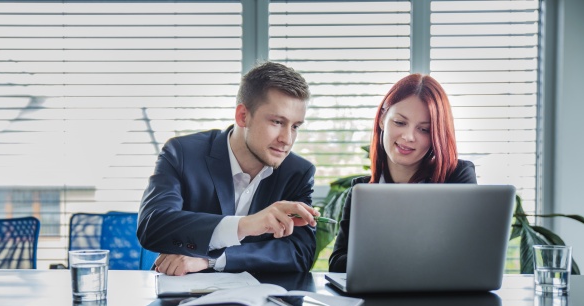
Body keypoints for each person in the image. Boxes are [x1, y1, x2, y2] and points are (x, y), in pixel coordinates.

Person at [137, 61, 320, 275]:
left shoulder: (298, 172)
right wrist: (244, 225)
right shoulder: (183, 153)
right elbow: (153, 225)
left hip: (260, 301)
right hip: (180, 296)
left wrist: (211, 260)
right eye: (277, 122)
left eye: (295, 126)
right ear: (243, 116)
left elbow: (299, 253)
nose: (287, 139)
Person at [329, 73, 478, 272]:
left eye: (424, 130)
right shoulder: (361, 190)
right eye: (399, 122)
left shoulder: (457, 176)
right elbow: (337, 264)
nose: (408, 137)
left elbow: (468, 256)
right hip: (378, 298)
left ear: (436, 135)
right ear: (382, 119)